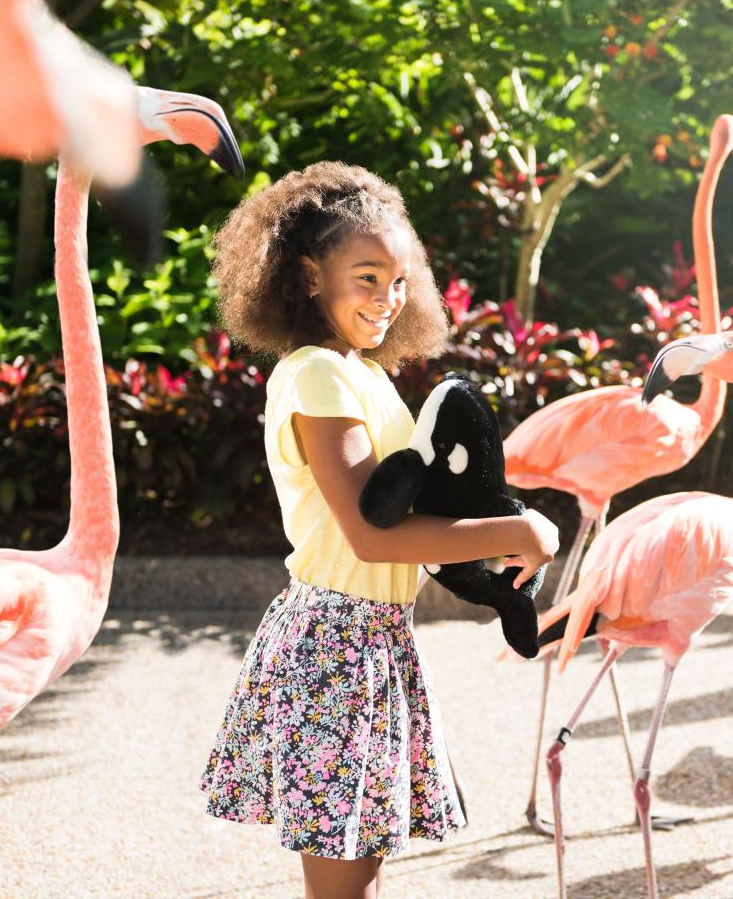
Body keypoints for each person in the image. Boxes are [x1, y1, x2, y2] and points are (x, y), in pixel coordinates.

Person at [199, 162, 559, 899]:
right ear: (307, 277)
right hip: (334, 642)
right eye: (366, 278)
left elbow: (413, 512)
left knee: (357, 876)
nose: (388, 299)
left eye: (399, 281)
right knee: (341, 886)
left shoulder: (358, 372)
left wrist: (502, 527)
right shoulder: (316, 376)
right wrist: (519, 533)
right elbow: (374, 537)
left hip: (369, 638)